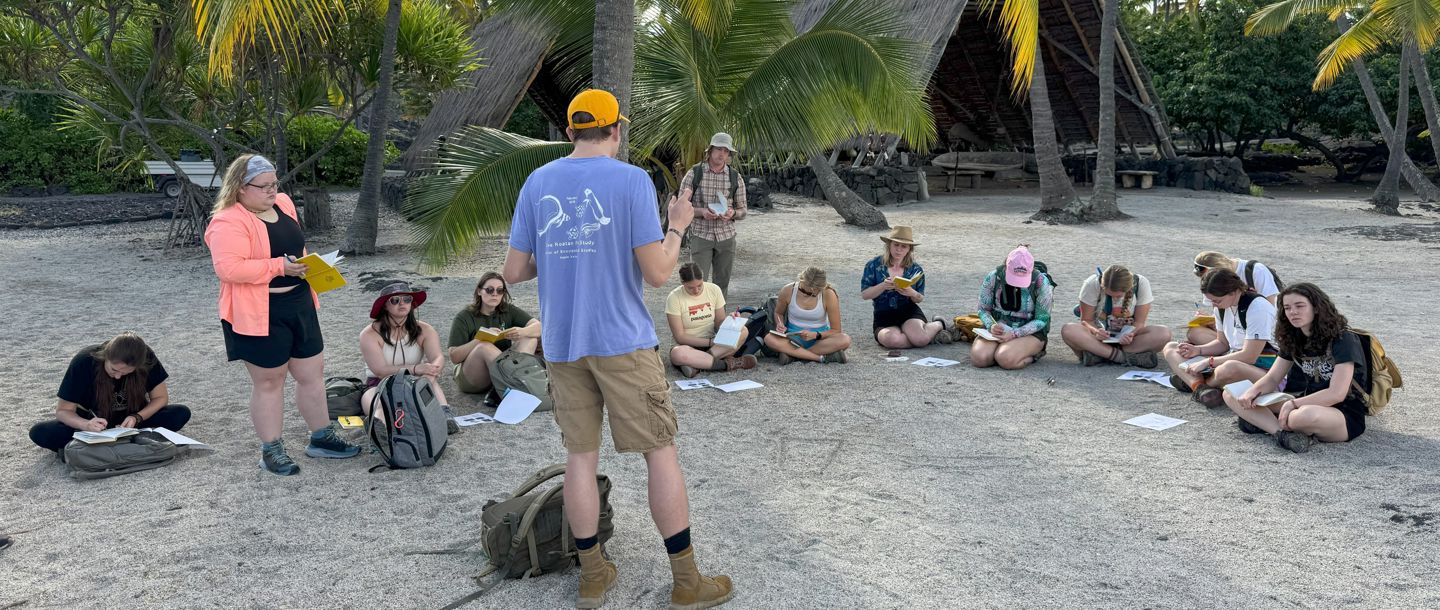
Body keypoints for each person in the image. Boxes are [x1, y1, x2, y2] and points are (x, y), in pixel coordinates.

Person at [503, 89, 732, 610]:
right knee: (659, 451)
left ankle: (592, 576)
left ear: (569, 132)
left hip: (563, 345)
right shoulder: (631, 180)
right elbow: (656, 274)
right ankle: (687, 580)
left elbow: (514, 271)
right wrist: (676, 224)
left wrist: (565, 258)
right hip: (622, 342)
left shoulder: (538, 182)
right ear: (615, 131)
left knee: (580, 458)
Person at [204, 154, 359, 477]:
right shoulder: (227, 221)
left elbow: (296, 247)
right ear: (240, 188)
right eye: (264, 186)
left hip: (299, 303)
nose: (272, 191)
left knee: (311, 373)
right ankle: (271, 449)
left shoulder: (285, 203)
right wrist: (279, 267)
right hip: (260, 312)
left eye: (275, 183)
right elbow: (228, 268)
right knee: (270, 381)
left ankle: (321, 436)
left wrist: (312, 268)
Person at [1222, 283, 1370, 453]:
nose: (1293, 312)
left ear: (1316, 307)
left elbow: (1337, 393)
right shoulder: (1293, 337)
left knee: (1302, 417)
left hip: (1342, 413)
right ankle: (1281, 434)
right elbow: (1272, 379)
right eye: (1287, 308)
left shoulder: (1343, 339)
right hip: (1304, 401)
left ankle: (1263, 422)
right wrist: (1252, 392)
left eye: (1300, 306)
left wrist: (1292, 403)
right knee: (1231, 393)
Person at [28, 333, 192, 453]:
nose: (119, 376)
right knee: (40, 432)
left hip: (131, 422)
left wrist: (138, 417)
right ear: (105, 357)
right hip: (92, 423)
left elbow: (161, 398)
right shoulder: (84, 361)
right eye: (114, 369)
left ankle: (108, 445)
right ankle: (124, 444)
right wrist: (86, 425)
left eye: (127, 372)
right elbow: (63, 411)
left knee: (180, 413)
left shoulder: (146, 357)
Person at [1162, 268, 1278, 408]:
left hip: (1267, 371)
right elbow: (1222, 343)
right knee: (1171, 348)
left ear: (1233, 292)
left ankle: (1194, 382)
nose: (1213, 305)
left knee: (1229, 368)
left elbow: (1250, 356)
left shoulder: (1257, 307)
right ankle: (1201, 388)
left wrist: (1208, 362)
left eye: (1217, 300)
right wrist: (1197, 350)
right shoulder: (1222, 306)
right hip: (1235, 357)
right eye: (1210, 300)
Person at [359, 283, 453, 422]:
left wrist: (431, 371)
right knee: (375, 402)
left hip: (414, 383)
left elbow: (438, 356)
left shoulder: (425, 329)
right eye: (395, 300)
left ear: (412, 303)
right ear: (385, 305)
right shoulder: (370, 334)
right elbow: (380, 371)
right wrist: (415, 368)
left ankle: (445, 416)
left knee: (431, 382)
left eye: (407, 299)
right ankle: (381, 428)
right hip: (379, 384)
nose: (402, 303)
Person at [447, 272, 541, 396]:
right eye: (490, 290)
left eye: (500, 290)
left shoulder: (507, 310)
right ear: (479, 291)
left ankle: (512, 384)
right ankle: (517, 383)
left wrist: (522, 332)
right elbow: (454, 357)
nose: (495, 294)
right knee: (484, 347)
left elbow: (539, 326)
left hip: (502, 371)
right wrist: (480, 339)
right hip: (473, 376)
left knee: (529, 337)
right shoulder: (464, 317)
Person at [861, 226, 954, 349]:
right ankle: (929, 337)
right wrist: (883, 286)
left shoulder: (916, 269)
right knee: (893, 341)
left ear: (909, 249)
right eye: (896, 245)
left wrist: (911, 293)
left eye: (903, 246)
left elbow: (919, 298)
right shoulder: (873, 265)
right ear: (889, 245)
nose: (899, 250)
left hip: (909, 312)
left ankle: (939, 323)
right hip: (883, 315)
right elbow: (865, 295)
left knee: (921, 340)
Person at [1059, 265, 1170, 368]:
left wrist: (1130, 334)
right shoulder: (1092, 283)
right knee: (1068, 330)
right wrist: (1096, 332)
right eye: (1109, 294)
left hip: (1129, 342)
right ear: (1103, 286)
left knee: (1163, 333)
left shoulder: (1141, 283)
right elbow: (1086, 320)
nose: (1115, 299)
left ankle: (1100, 356)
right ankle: (1122, 358)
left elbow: (1139, 323)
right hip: (1098, 340)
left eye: (1118, 296)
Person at [678, 132, 747, 296]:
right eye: (718, 149)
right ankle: (697, 320)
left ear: (729, 154)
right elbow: (680, 208)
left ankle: (719, 320)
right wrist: (702, 212)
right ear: (710, 150)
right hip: (701, 236)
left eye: (726, 150)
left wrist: (732, 213)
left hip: (726, 237)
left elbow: (743, 210)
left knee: (722, 285)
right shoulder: (694, 174)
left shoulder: (735, 177)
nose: (722, 153)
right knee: (696, 283)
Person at [666, 262, 758, 378]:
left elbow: (719, 321)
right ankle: (726, 364)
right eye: (690, 288)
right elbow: (680, 336)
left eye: (700, 285)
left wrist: (730, 320)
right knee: (677, 353)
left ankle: (698, 364)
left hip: (714, 346)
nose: (696, 291)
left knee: (743, 330)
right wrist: (710, 342)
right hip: (689, 346)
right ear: (682, 283)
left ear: (703, 279)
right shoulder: (674, 297)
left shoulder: (714, 289)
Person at [972, 245, 1052, 370]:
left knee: (1005, 359)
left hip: (1029, 331)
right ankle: (1002, 351)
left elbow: (1042, 319)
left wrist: (1015, 333)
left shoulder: (1041, 282)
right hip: (999, 326)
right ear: (1006, 266)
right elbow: (983, 309)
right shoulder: (993, 277)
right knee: (980, 358)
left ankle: (1031, 355)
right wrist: (991, 325)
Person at [1186, 251, 1281, 344]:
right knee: (1194, 333)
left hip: (1259, 327)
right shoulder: (1211, 283)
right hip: (1233, 330)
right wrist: (1210, 319)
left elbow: (1271, 309)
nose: (1208, 281)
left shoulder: (1256, 271)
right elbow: (1220, 311)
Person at [763, 267, 853, 364]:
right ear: (800, 280)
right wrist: (779, 324)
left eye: (812, 294)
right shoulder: (788, 290)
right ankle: (820, 358)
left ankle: (793, 355)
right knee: (769, 338)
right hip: (793, 338)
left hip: (820, 339)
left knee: (845, 339)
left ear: (821, 288)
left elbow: (836, 330)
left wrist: (816, 335)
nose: (807, 295)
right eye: (803, 291)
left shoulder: (828, 294)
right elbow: (778, 313)